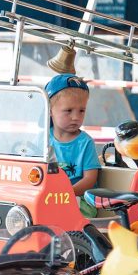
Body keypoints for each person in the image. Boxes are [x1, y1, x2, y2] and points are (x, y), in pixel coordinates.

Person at [45, 73, 101, 218]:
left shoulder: (85, 142)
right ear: (50, 110)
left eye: (81, 111)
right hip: (50, 198)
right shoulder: (44, 139)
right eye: (68, 111)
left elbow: (90, 179)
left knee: (57, 213)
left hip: (80, 199)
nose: (76, 117)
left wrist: (66, 193)